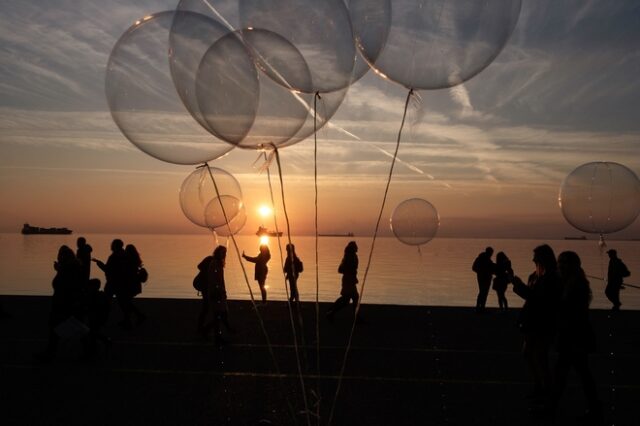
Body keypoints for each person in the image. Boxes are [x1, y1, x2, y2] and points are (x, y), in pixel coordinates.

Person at [552, 251, 602, 422]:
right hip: (574, 336)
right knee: (573, 372)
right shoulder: (571, 283)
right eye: (560, 263)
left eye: (565, 263)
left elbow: (572, 312)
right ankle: (594, 408)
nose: (561, 266)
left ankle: (594, 409)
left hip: (575, 337)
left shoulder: (576, 285)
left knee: (573, 373)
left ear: (574, 265)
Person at [511, 244, 560, 411]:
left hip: (543, 322)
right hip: (532, 321)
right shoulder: (536, 275)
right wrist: (519, 286)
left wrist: (518, 285)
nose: (533, 259)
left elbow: (538, 299)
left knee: (540, 356)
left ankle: (546, 390)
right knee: (529, 354)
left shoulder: (551, 277)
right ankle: (540, 386)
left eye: (536, 256)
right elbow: (532, 297)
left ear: (543, 258)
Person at [35, 245, 85, 361]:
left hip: (64, 303)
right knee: (72, 326)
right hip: (64, 302)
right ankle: (91, 347)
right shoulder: (71, 267)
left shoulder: (69, 269)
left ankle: (50, 352)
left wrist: (59, 270)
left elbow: (66, 284)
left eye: (60, 255)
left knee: (59, 327)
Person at [197, 246, 232, 346]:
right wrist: (217, 292)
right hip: (215, 293)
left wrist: (223, 291)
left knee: (219, 315)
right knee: (218, 315)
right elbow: (215, 280)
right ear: (218, 253)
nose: (224, 254)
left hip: (218, 292)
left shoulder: (219, 263)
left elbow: (221, 280)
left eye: (224, 253)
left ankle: (212, 332)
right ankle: (213, 334)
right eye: (222, 252)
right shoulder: (214, 263)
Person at [93, 239, 127, 327]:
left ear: (114, 246)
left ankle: (103, 319)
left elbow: (107, 269)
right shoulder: (124, 254)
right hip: (120, 281)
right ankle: (128, 319)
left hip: (112, 282)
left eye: (112, 244)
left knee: (106, 301)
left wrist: (99, 264)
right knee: (121, 301)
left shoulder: (114, 256)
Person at [326, 241, 360, 322]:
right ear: (352, 248)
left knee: (349, 298)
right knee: (349, 299)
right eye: (355, 246)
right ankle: (331, 313)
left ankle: (331, 312)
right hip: (348, 281)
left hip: (350, 280)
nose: (357, 247)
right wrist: (351, 272)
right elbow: (341, 269)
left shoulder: (352, 256)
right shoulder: (349, 257)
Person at [472, 246, 495, 313]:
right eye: (491, 253)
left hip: (483, 277)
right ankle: (480, 307)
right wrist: (482, 271)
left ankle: (480, 307)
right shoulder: (484, 259)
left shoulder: (482, 259)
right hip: (484, 278)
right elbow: (474, 268)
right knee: (483, 292)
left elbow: (474, 268)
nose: (491, 254)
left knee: (483, 292)